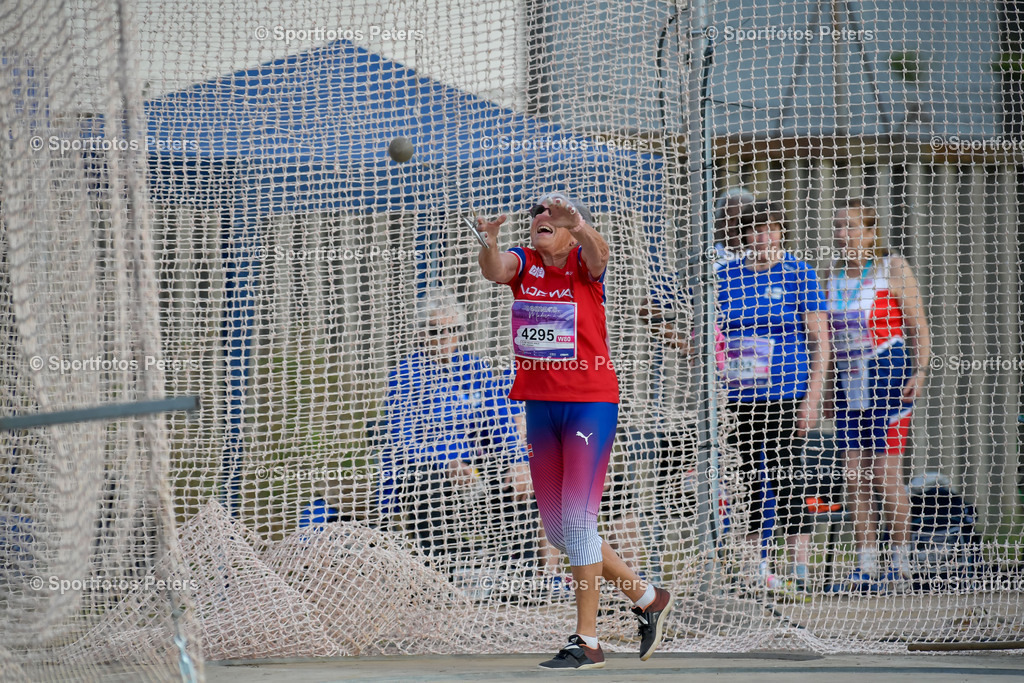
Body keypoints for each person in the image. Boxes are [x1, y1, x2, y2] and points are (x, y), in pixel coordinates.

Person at [476, 193, 672, 670]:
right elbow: (495, 270)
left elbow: (601, 256)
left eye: (550, 215)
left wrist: (580, 225)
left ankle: (588, 641)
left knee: (580, 525)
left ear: (569, 229)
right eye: (536, 215)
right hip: (540, 406)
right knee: (562, 532)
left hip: (588, 404)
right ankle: (647, 597)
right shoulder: (525, 262)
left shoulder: (583, 263)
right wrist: (490, 242)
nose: (540, 218)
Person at [717, 199, 830, 596]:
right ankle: (755, 567)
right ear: (743, 235)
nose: (763, 237)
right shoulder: (726, 275)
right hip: (740, 395)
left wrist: (813, 397)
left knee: (787, 476)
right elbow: (714, 333)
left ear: (782, 233)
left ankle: (799, 568)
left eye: (771, 229)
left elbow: (821, 341)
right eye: (754, 229)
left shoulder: (799, 273)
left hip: (786, 391)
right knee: (748, 477)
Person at [380, 295, 536, 577]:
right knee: (429, 482)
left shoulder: (475, 368)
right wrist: (446, 462)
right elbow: (401, 441)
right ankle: (441, 575)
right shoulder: (405, 374)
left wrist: (518, 461)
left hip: (473, 464)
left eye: (452, 329)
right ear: (420, 333)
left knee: (516, 475)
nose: (444, 337)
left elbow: (500, 419)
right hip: (427, 466)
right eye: (435, 330)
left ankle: (517, 575)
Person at [825, 200, 931, 591]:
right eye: (838, 226)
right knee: (855, 474)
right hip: (850, 380)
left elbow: (918, 325)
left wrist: (920, 370)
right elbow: (830, 341)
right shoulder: (832, 275)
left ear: (871, 233)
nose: (843, 234)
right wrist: (829, 390)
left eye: (851, 227)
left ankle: (900, 564)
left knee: (885, 473)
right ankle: (865, 564)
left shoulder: (892, 268)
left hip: (888, 373)